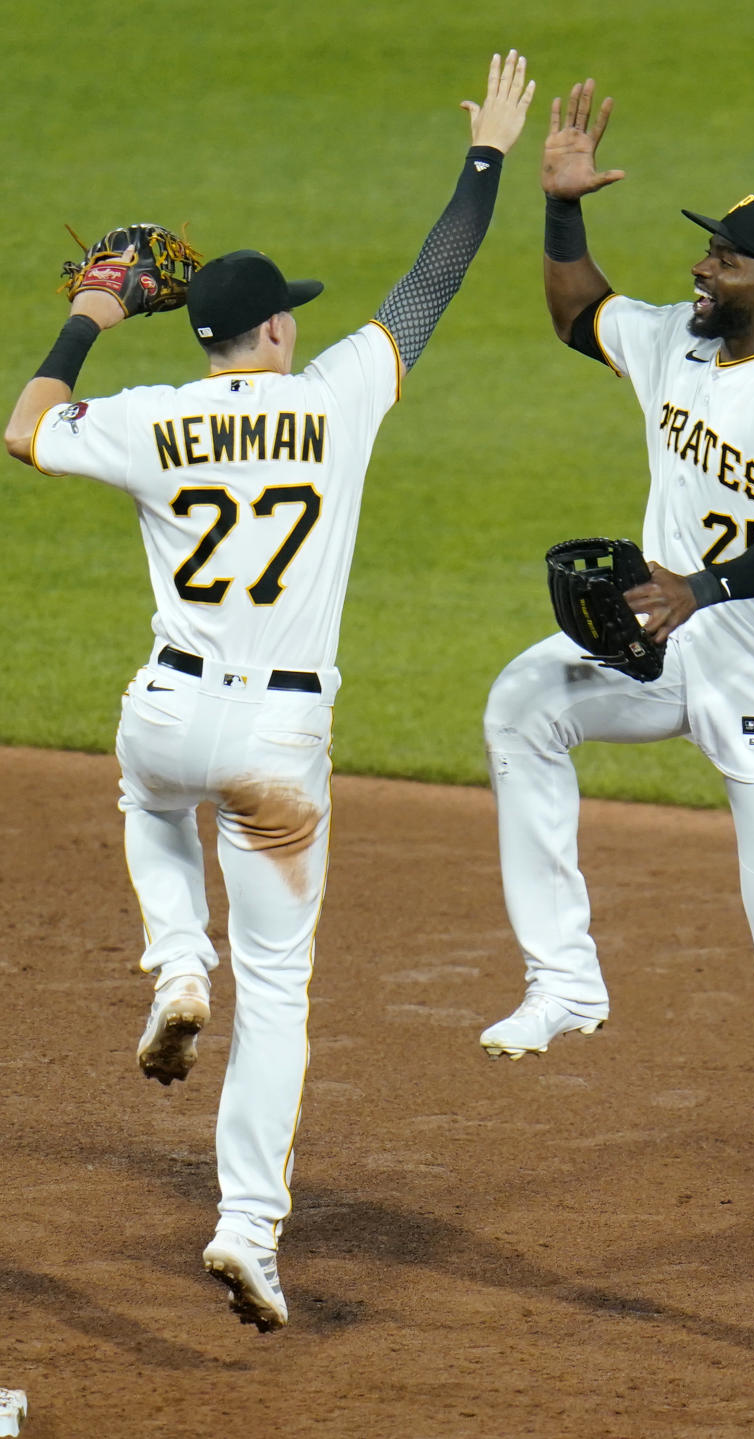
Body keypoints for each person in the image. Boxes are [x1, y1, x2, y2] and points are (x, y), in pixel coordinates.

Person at [5, 51, 534, 1333]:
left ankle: (178, 963)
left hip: (170, 708)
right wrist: (488, 158)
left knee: (144, 802)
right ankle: (247, 1228)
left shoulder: (150, 416)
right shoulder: (335, 396)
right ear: (280, 331)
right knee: (282, 992)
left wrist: (89, 309)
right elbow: (429, 286)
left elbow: (24, 426)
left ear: (205, 338)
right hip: (283, 743)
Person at [478, 78, 754, 1336]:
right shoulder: (680, 336)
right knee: (524, 702)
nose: (701, 264)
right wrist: (556, 212)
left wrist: (696, 585)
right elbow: (577, 315)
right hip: (676, 654)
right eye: (706, 247)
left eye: (723, 252)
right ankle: (566, 976)